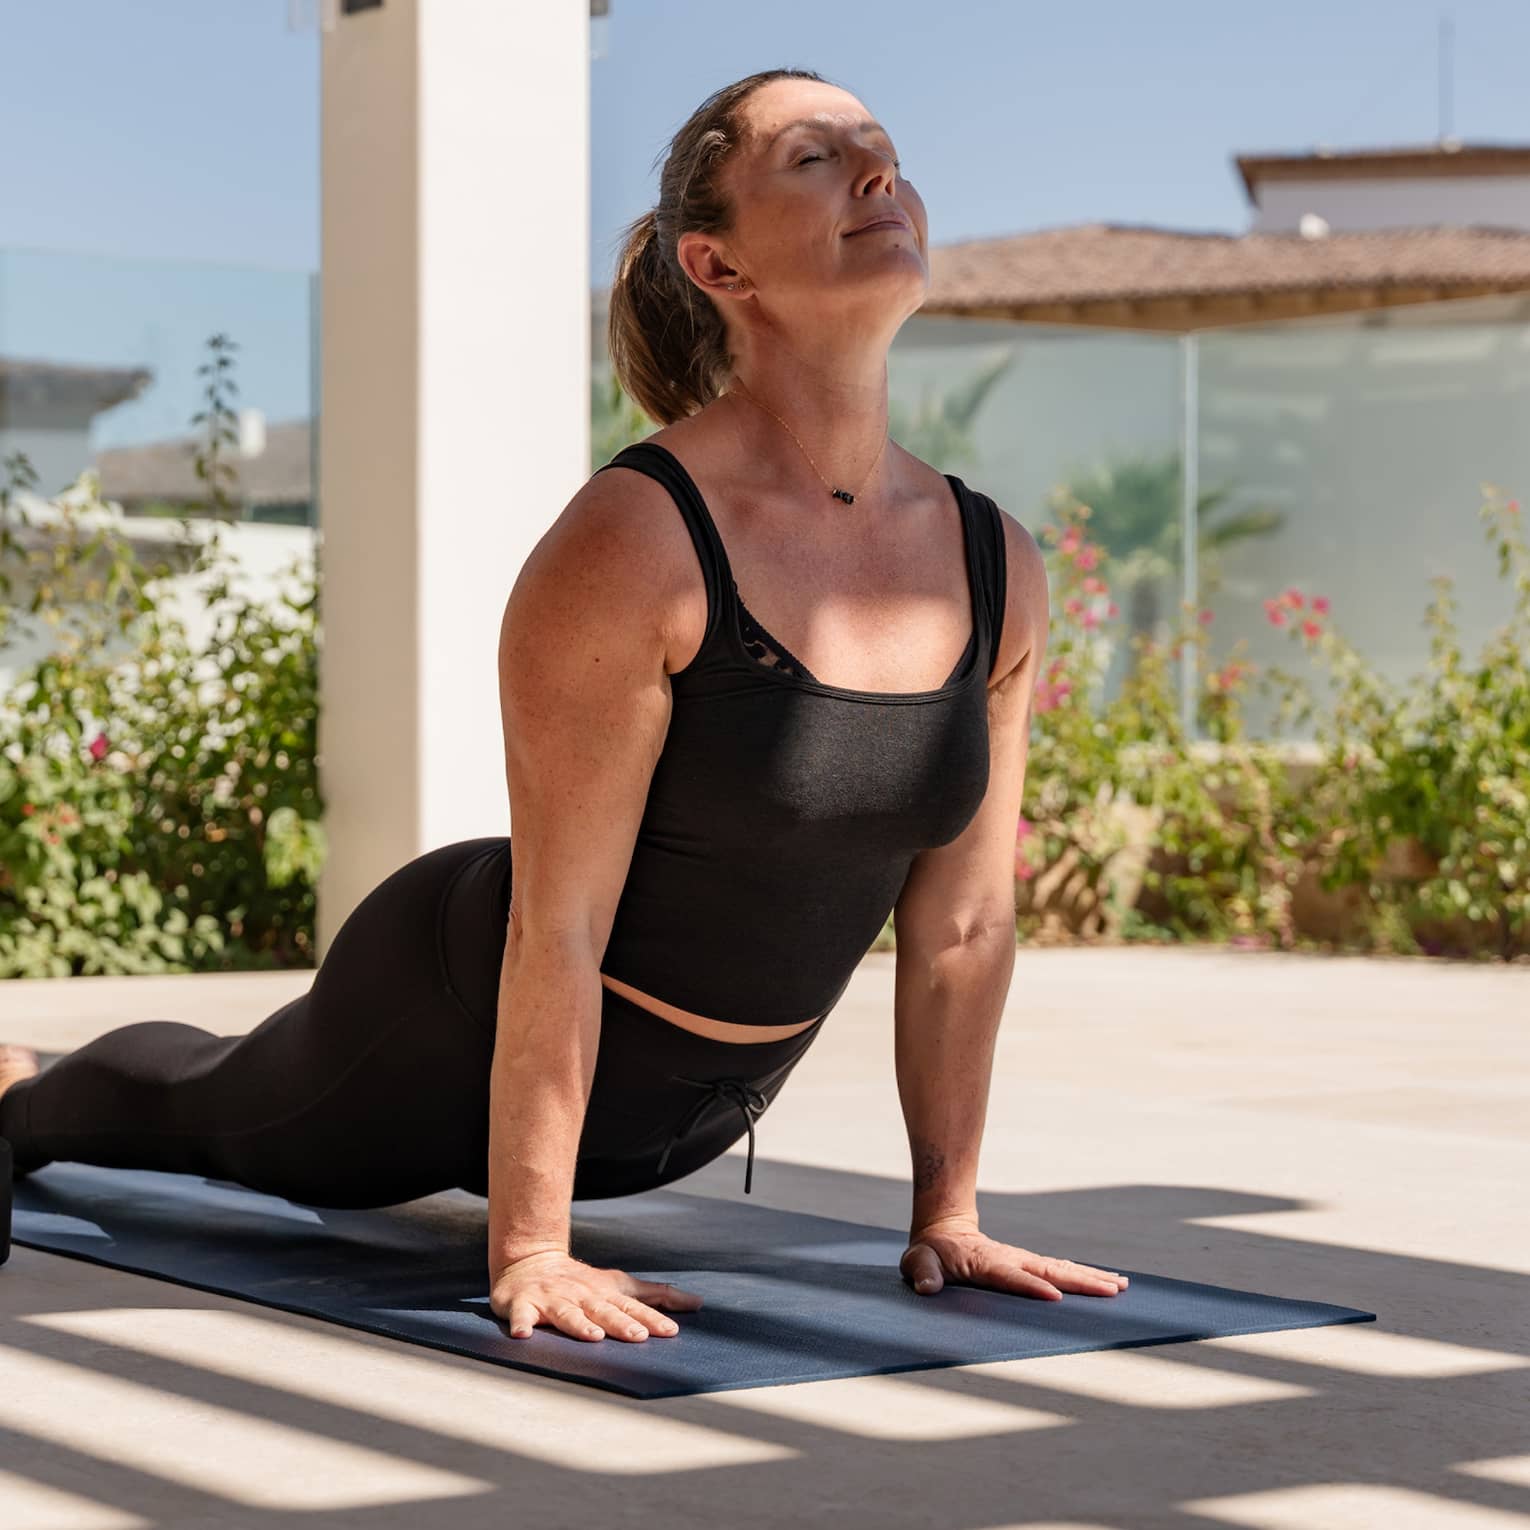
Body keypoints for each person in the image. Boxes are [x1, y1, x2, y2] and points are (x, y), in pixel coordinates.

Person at [0, 67, 1128, 1345]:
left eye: (882, 148)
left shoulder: (991, 560)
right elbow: (562, 923)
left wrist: (949, 1215)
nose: (879, 174)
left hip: (672, 1128)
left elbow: (966, 926)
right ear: (717, 264)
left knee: (220, 1107)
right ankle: (22, 1096)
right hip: (447, 1024)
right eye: (815, 159)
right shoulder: (639, 538)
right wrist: (530, 1244)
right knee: (208, 1113)